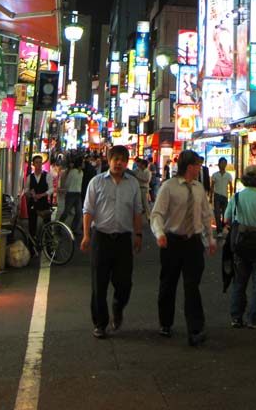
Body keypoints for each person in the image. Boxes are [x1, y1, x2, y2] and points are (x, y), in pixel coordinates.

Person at [150, 149, 216, 345]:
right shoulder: (168, 187)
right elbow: (157, 214)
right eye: (197, 165)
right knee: (168, 283)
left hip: (193, 242)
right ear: (190, 167)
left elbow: (205, 215)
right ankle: (166, 323)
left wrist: (209, 239)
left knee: (192, 286)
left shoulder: (198, 188)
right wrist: (160, 233)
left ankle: (195, 329)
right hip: (172, 241)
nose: (199, 168)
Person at [81, 145, 143, 339]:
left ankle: (118, 306)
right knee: (99, 283)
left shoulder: (132, 184)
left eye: (122, 160)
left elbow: (137, 211)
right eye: (115, 159)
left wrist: (138, 235)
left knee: (124, 282)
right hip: (101, 237)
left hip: (123, 238)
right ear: (109, 160)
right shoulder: (96, 182)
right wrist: (86, 235)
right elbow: (88, 210)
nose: (118, 163)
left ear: (127, 162)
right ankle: (100, 323)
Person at [225, 168, 256, 329]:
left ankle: (236, 317)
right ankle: (254, 318)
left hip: (241, 244)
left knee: (239, 281)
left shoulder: (237, 197)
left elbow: (227, 219)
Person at [24, 154, 53, 240]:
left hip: (44, 203)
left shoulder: (47, 175)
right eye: (37, 163)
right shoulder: (30, 177)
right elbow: (25, 190)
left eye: (40, 162)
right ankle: (32, 247)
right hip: (33, 204)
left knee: (48, 225)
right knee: (32, 225)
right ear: (33, 164)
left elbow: (51, 189)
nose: (39, 164)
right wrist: (30, 193)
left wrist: (42, 194)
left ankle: (49, 247)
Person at [210, 157, 234, 236]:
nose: (223, 165)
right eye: (221, 163)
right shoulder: (215, 175)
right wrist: (210, 197)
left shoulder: (228, 175)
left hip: (225, 196)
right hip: (217, 196)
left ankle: (222, 226)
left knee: (225, 214)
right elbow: (212, 186)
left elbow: (230, 187)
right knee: (217, 213)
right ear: (219, 164)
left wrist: (231, 196)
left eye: (224, 163)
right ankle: (219, 230)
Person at [59, 156, 83, 233]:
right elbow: (67, 183)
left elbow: (67, 183)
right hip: (71, 193)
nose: (83, 164)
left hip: (77, 193)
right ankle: (59, 226)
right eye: (82, 163)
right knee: (67, 212)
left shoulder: (81, 172)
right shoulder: (73, 172)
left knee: (78, 212)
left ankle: (73, 228)